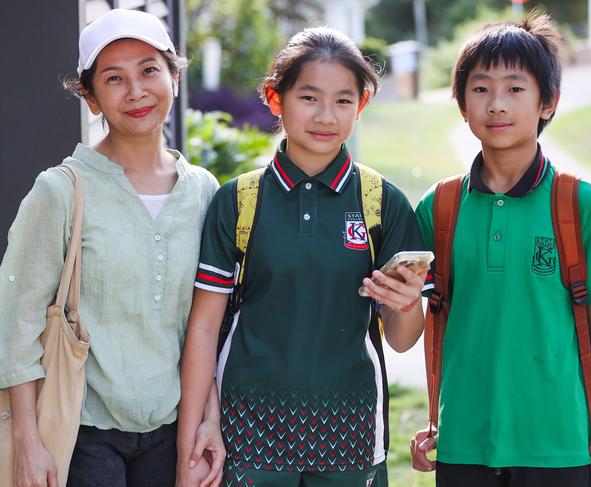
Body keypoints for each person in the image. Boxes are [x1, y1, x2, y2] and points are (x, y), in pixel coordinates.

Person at [177, 26, 426, 487]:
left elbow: (402, 339)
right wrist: (193, 437)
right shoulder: (238, 201)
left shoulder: (382, 202)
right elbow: (205, 327)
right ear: (276, 99)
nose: (326, 116)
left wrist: (406, 303)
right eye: (309, 97)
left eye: (344, 101)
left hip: (351, 435)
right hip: (246, 435)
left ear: (362, 106)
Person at [410, 10, 591, 487]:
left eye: (515, 89)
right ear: (461, 104)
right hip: (463, 442)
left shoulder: (581, 204)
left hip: (558, 444)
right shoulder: (440, 207)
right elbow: (420, 318)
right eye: (480, 89)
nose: (497, 104)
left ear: (547, 101)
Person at [0, 8, 220, 487]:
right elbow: (16, 321)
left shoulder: (203, 191)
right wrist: (27, 442)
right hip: (82, 433)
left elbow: (205, 323)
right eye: (114, 78)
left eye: (149, 70)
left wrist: (210, 419)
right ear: (91, 98)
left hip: (172, 428)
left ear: (174, 78)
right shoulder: (62, 190)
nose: (136, 91)